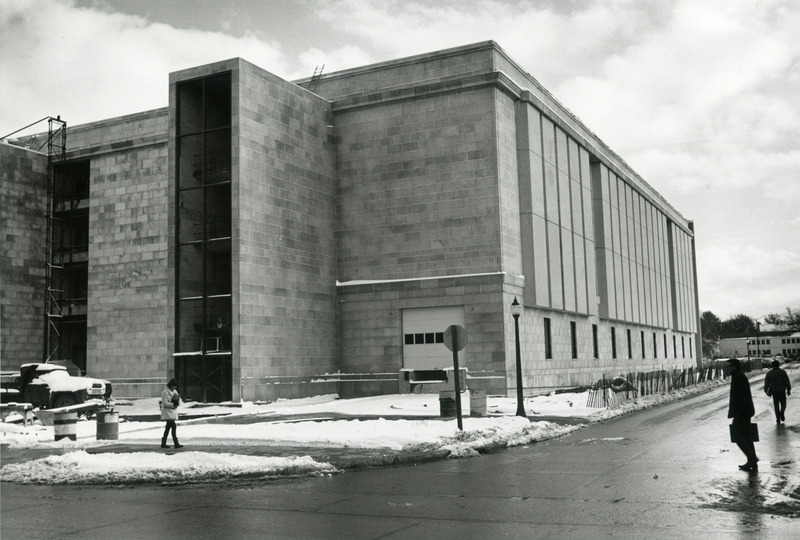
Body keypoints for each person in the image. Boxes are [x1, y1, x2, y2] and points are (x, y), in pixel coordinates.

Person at [727, 358, 758, 471]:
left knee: (737, 436)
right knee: (746, 436)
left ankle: (752, 458)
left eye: (729, 366)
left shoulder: (739, 377)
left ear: (734, 366)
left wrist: (738, 412)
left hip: (742, 412)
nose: (727, 368)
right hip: (744, 411)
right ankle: (753, 462)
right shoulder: (738, 376)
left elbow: (742, 397)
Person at [764, 360, 791, 424]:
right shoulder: (783, 372)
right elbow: (787, 381)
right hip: (782, 390)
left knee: (776, 405)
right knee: (783, 403)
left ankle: (778, 418)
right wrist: (788, 389)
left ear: (772, 365)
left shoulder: (769, 373)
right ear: (778, 365)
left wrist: (767, 392)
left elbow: (766, 384)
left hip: (774, 392)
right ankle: (782, 412)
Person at [160, 379, 184, 449]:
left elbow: (179, 400)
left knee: (168, 428)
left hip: (172, 412)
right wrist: (173, 404)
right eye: (174, 386)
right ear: (171, 385)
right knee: (173, 426)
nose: (175, 388)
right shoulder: (164, 392)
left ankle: (163, 443)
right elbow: (164, 404)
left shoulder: (175, 391)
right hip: (168, 412)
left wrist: (177, 402)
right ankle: (176, 443)